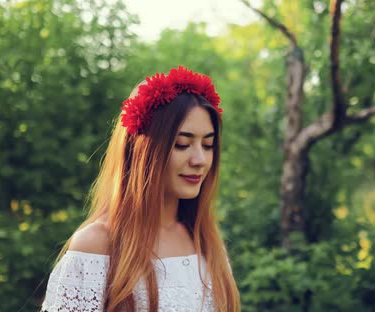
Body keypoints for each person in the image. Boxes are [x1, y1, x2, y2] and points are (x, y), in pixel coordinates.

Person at [41, 66, 240, 312]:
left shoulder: (206, 242)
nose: (199, 159)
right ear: (143, 151)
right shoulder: (96, 246)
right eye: (182, 144)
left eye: (208, 145)